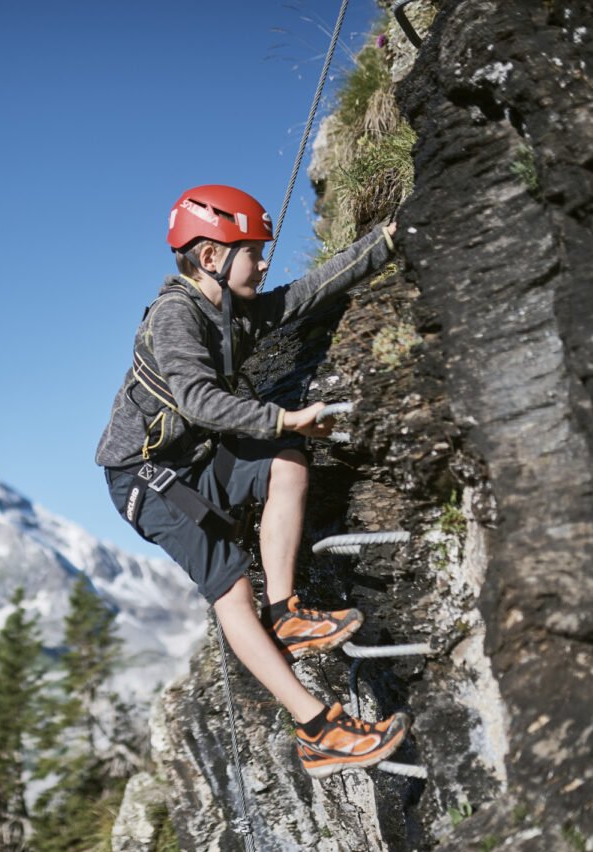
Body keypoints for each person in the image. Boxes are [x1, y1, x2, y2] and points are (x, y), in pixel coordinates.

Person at [96, 184, 408, 777]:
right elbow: (197, 398)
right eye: (254, 251)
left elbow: (306, 293)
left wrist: (386, 241)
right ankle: (318, 731)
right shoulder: (176, 315)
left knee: (286, 459)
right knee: (232, 590)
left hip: (189, 460)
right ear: (211, 257)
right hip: (145, 477)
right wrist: (284, 416)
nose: (265, 263)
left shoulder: (231, 313)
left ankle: (287, 611)